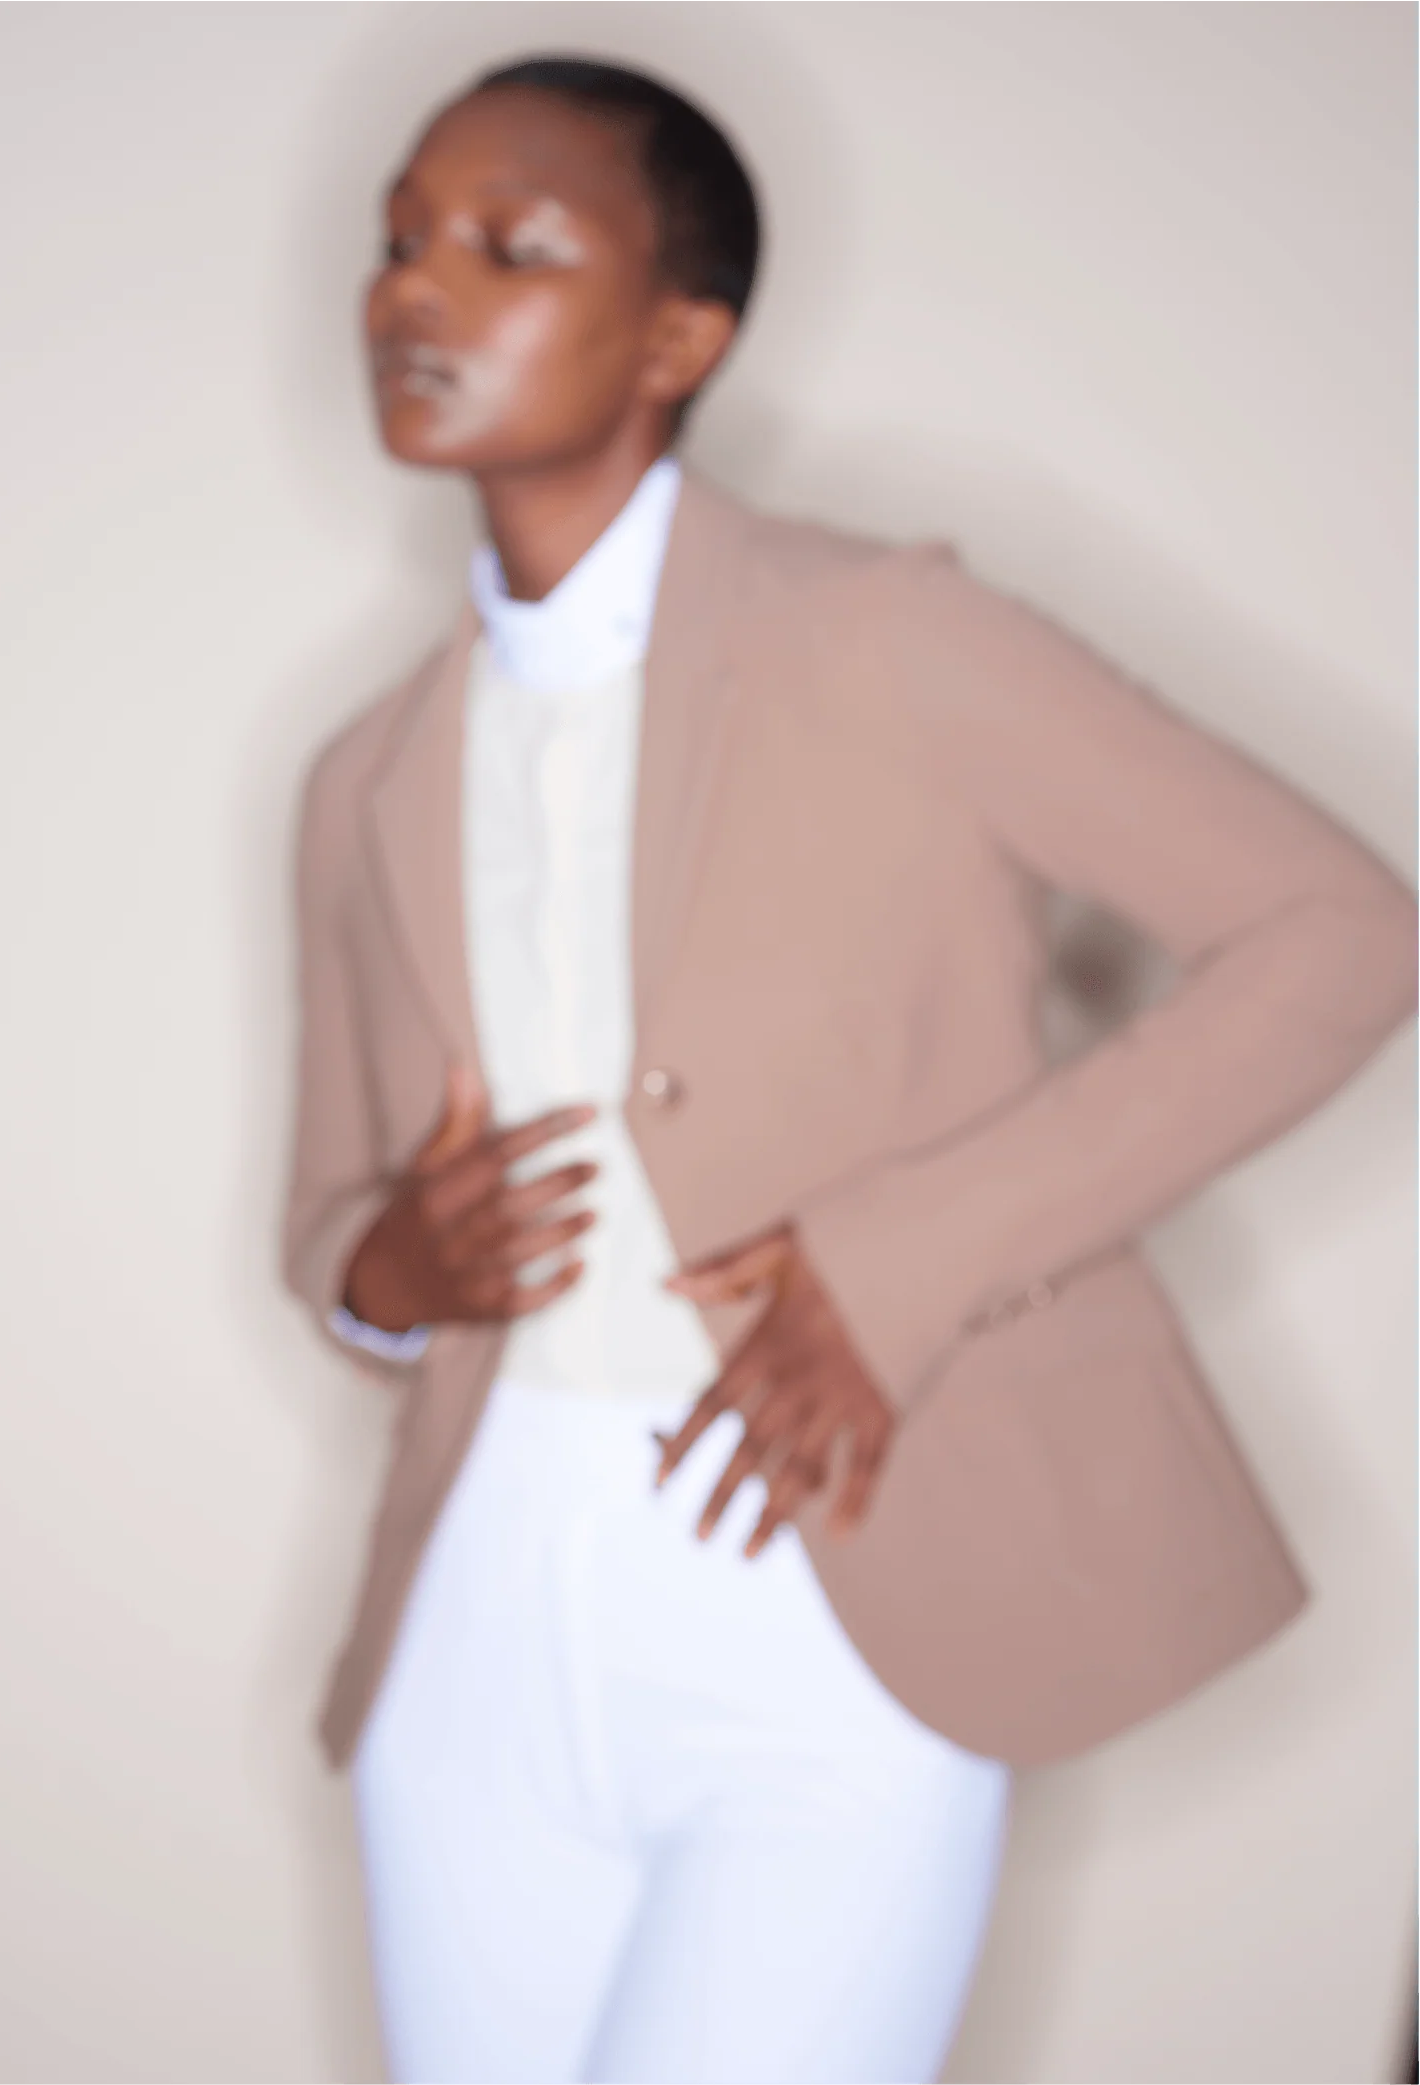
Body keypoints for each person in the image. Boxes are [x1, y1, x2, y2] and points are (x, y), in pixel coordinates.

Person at [279, 52, 1419, 2085]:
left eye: (509, 246)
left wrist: (901, 1262)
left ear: (680, 337)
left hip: (831, 1594)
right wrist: (384, 1275)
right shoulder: (366, 776)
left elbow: (1342, 933)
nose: (413, 291)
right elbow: (333, 1228)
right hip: (477, 1618)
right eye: (399, 242)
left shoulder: (885, 639)